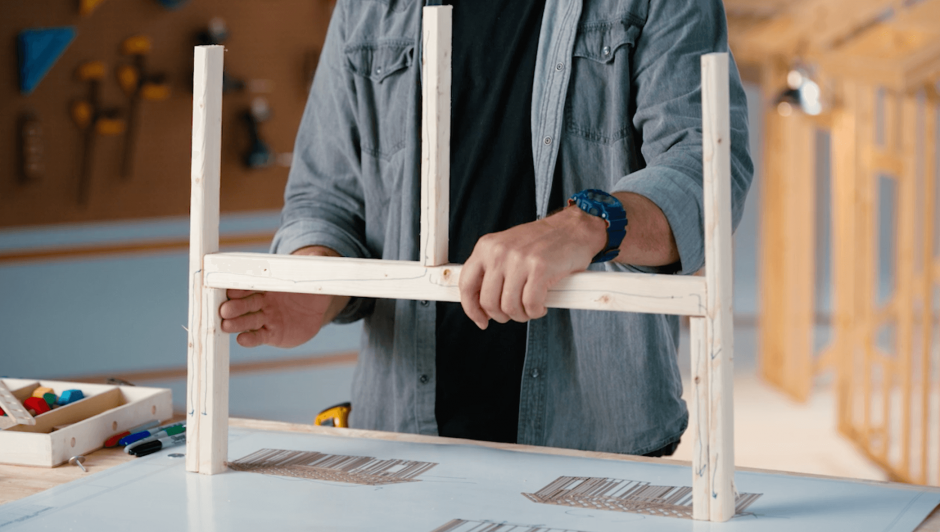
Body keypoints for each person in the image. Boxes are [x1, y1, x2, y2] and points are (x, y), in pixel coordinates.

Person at [219, 0, 753, 457]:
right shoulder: (369, 6)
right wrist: (320, 278)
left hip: (596, 438)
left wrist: (588, 224)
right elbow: (327, 198)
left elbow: (707, 168)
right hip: (404, 434)